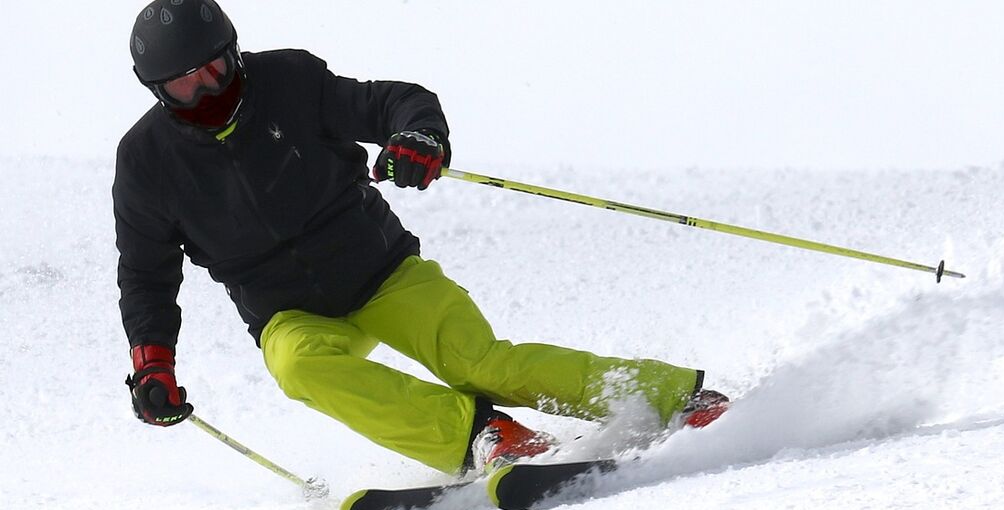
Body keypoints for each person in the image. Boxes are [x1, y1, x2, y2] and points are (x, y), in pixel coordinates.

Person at [116, 0, 728, 476]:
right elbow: (146, 273)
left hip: (382, 273)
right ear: (156, 90)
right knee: (298, 366)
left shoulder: (291, 81)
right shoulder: (146, 162)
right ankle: (482, 436)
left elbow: (395, 103)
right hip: (288, 311)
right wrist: (153, 363)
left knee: (480, 363)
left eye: (214, 69)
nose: (204, 91)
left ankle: (670, 397)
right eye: (183, 84)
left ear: (235, 53)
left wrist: (418, 138)